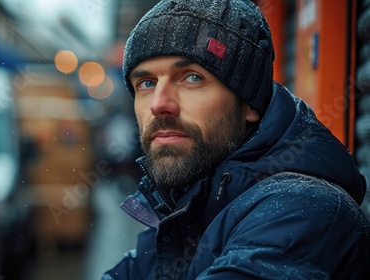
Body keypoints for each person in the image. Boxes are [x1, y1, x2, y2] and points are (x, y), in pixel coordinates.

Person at [101, 0, 370, 279]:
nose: (159, 105)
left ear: (249, 104)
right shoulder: (184, 211)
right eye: (146, 83)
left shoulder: (303, 211)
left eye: (192, 78)